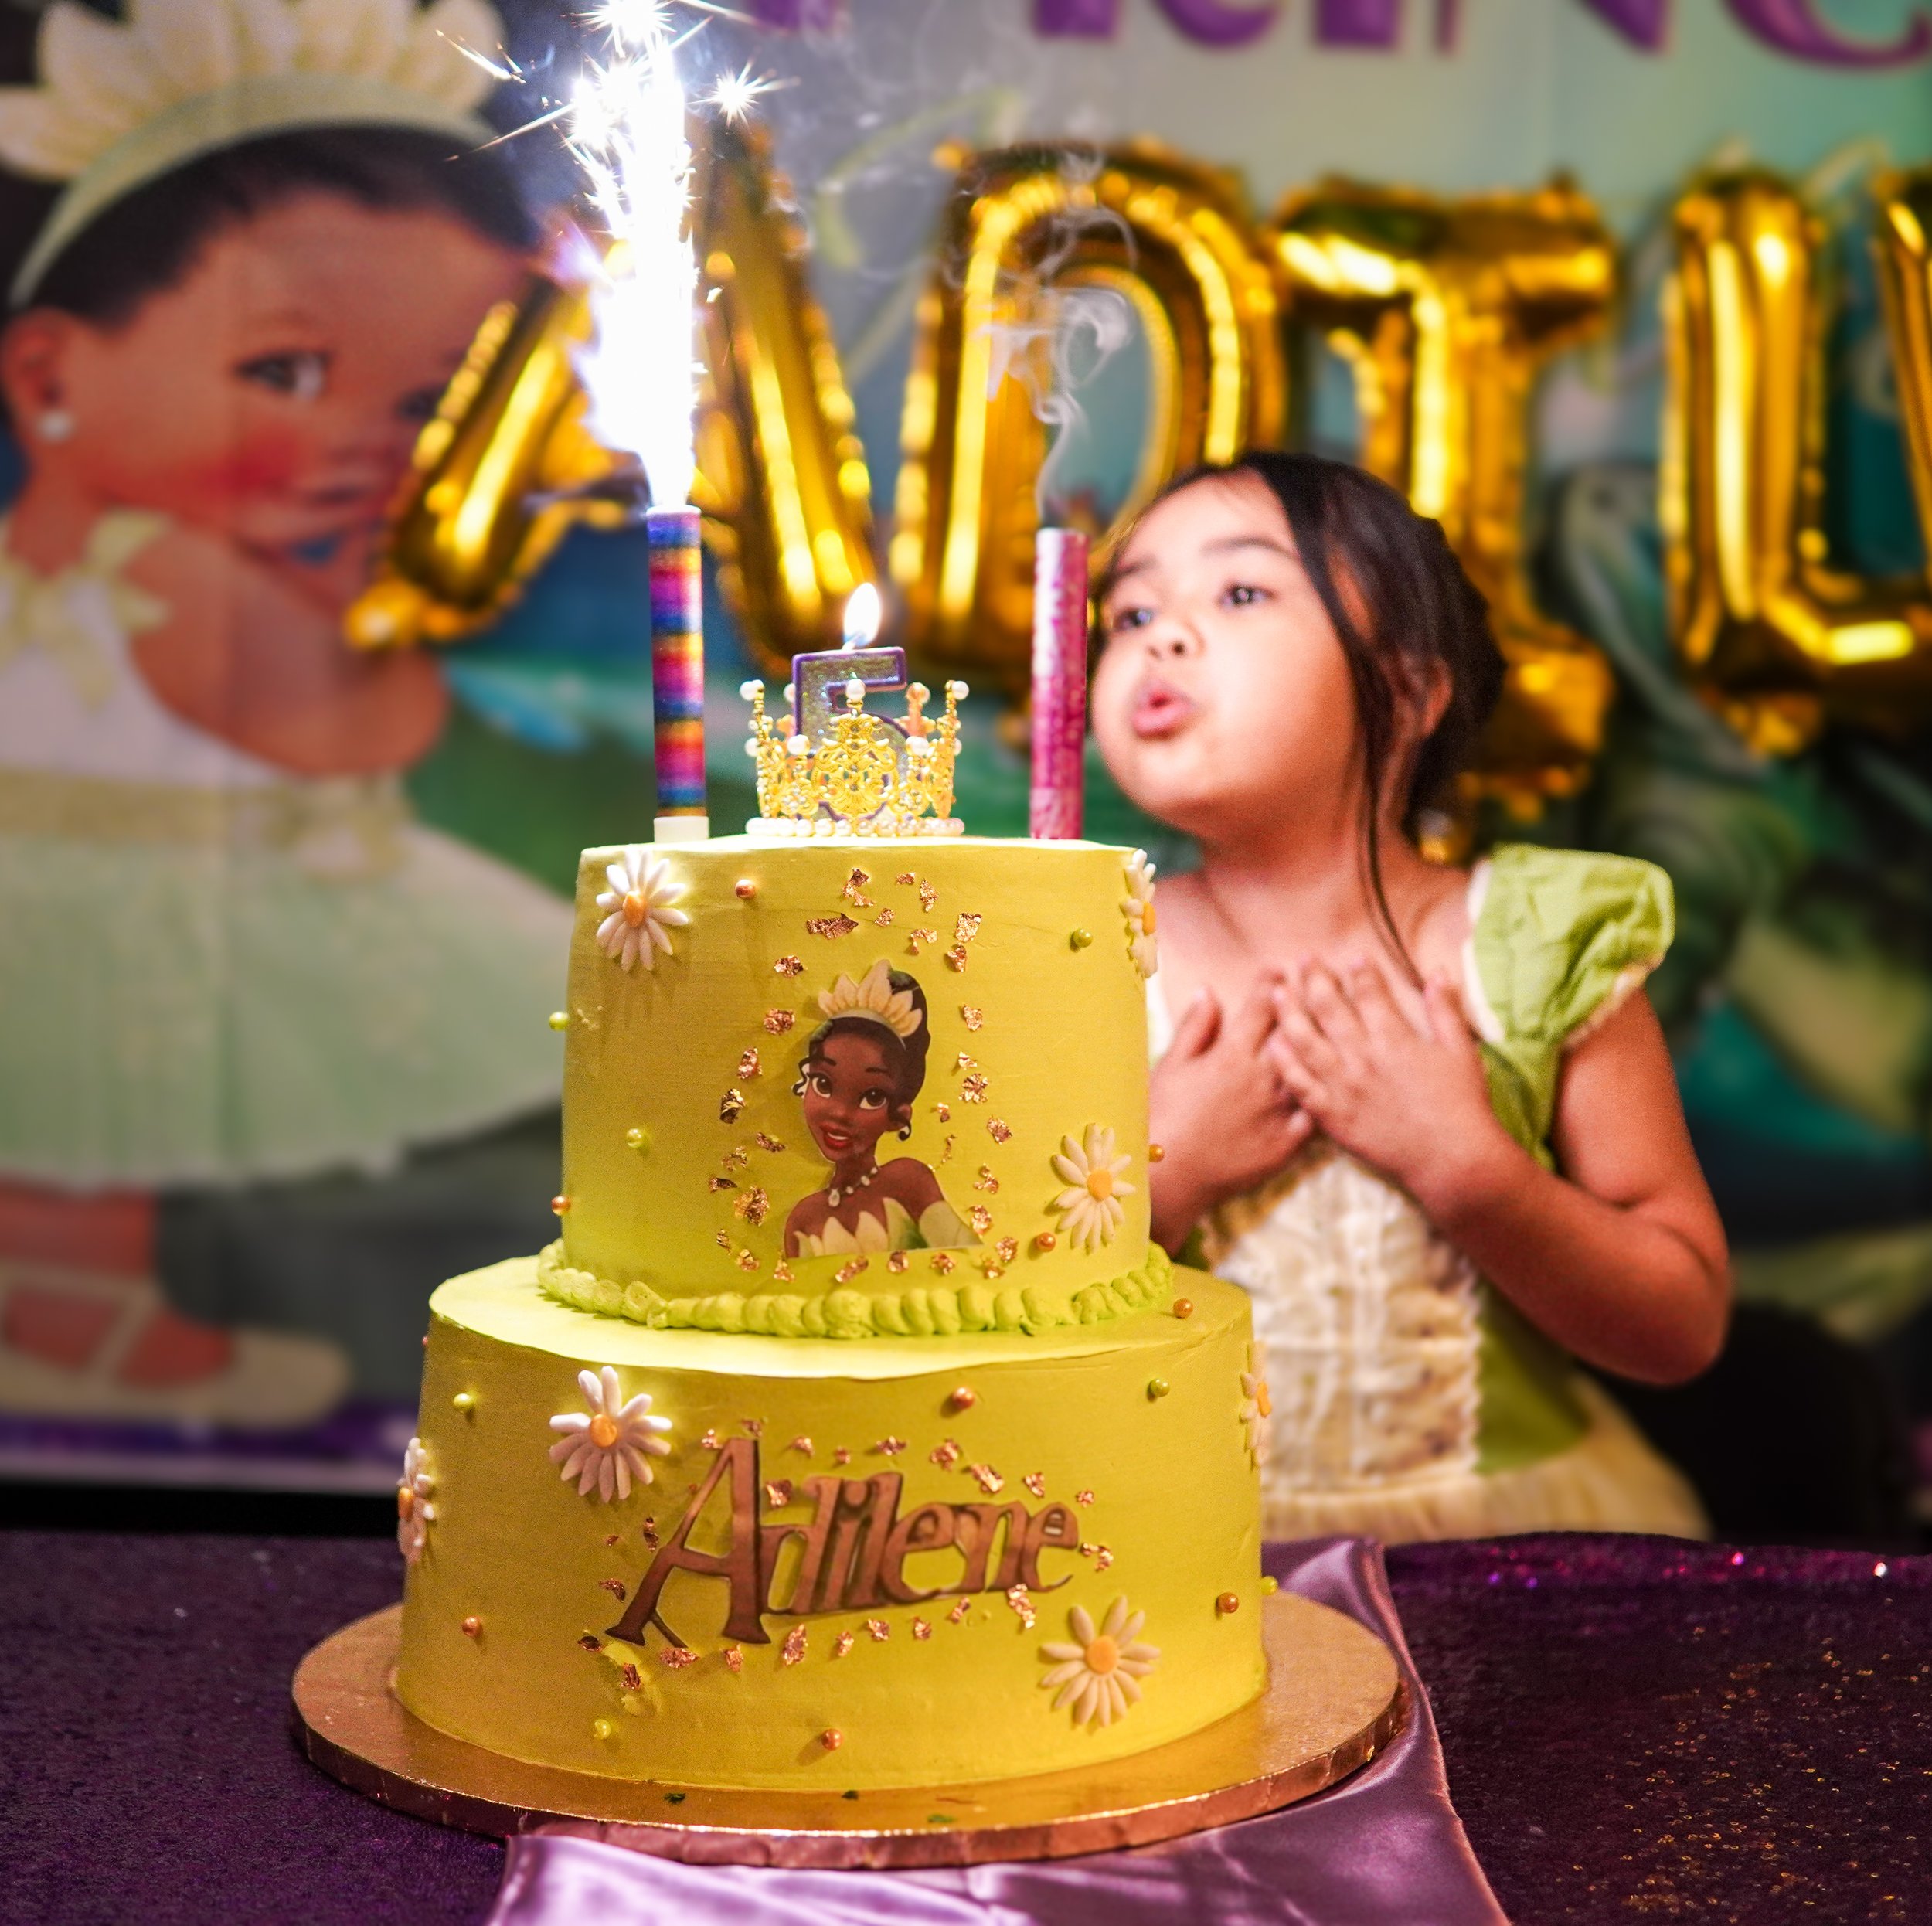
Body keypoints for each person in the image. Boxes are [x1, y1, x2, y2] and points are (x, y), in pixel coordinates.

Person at [0, 14, 573, 1426]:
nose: (363, 446)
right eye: (286, 375)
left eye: (426, 403)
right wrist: (398, 655)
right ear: (51, 375)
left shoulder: (91, 558)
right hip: (114, 903)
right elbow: (354, 726)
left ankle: (68, 1301)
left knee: (83, 1130)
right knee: (86, 1107)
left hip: (135, 890)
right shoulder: (180, 573)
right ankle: (73, 1311)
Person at [1090, 451, 1730, 1542]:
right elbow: (976, 1323)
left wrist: (1463, 1164)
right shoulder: (1079, 951)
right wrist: (1164, 1178)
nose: (1163, 634)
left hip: (1512, 1556)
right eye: (1131, 610)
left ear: (1408, 688)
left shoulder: (1541, 944)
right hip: (1180, 1561)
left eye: (1240, 592)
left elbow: (1681, 1325)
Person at [784, 960, 976, 1259]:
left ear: (899, 1115)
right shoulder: (803, 1219)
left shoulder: (907, 1182)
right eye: (823, 1083)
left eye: (873, 1096)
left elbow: (965, 1264)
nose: (840, 1114)